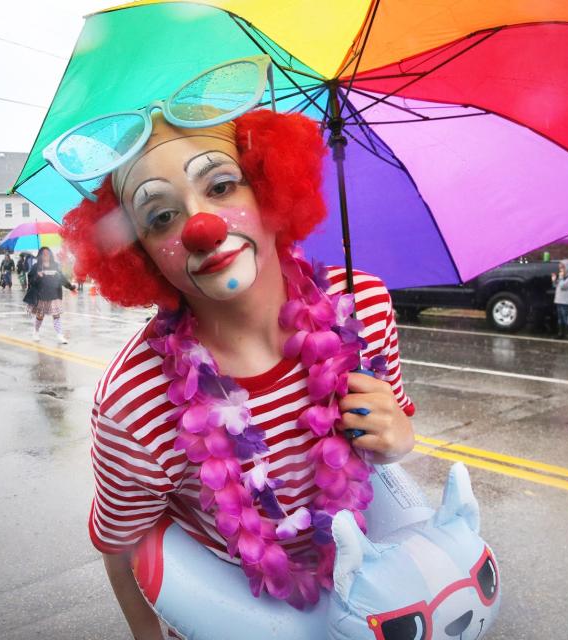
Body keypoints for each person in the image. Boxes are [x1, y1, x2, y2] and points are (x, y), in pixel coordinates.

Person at [56, 103, 415, 636]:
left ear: (269, 187)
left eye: (221, 186)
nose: (202, 226)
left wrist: (399, 436)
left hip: (363, 601)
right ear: (144, 255)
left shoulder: (361, 305)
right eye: (161, 217)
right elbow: (123, 543)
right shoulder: (131, 403)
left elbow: (388, 445)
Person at [23, 246, 76, 343]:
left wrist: (70, 287)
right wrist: (38, 276)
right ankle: (36, 332)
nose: (46, 255)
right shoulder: (36, 267)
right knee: (40, 316)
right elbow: (31, 281)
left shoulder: (55, 265)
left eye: (48, 253)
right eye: (44, 254)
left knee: (56, 315)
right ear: (40, 255)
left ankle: (60, 335)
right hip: (41, 295)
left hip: (54, 294)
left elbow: (62, 278)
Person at [552, 260, 568, 339]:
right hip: (559, 300)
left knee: (566, 317)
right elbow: (556, 286)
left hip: (565, 301)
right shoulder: (562, 278)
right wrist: (554, 280)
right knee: (560, 318)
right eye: (560, 268)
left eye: (562, 268)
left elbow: (563, 286)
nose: (561, 270)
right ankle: (560, 333)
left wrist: (560, 278)